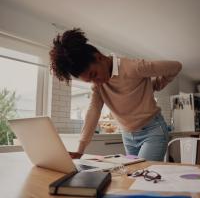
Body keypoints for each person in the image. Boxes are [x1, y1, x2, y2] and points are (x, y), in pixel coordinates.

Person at [50, 28, 182, 161]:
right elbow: (93, 112)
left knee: (141, 175)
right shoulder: (98, 86)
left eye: (94, 74)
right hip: (128, 136)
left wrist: (156, 85)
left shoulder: (132, 67)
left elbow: (176, 66)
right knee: (132, 176)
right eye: (90, 80)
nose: (96, 82)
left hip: (153, 131)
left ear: (99, 57)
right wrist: (80, 150)